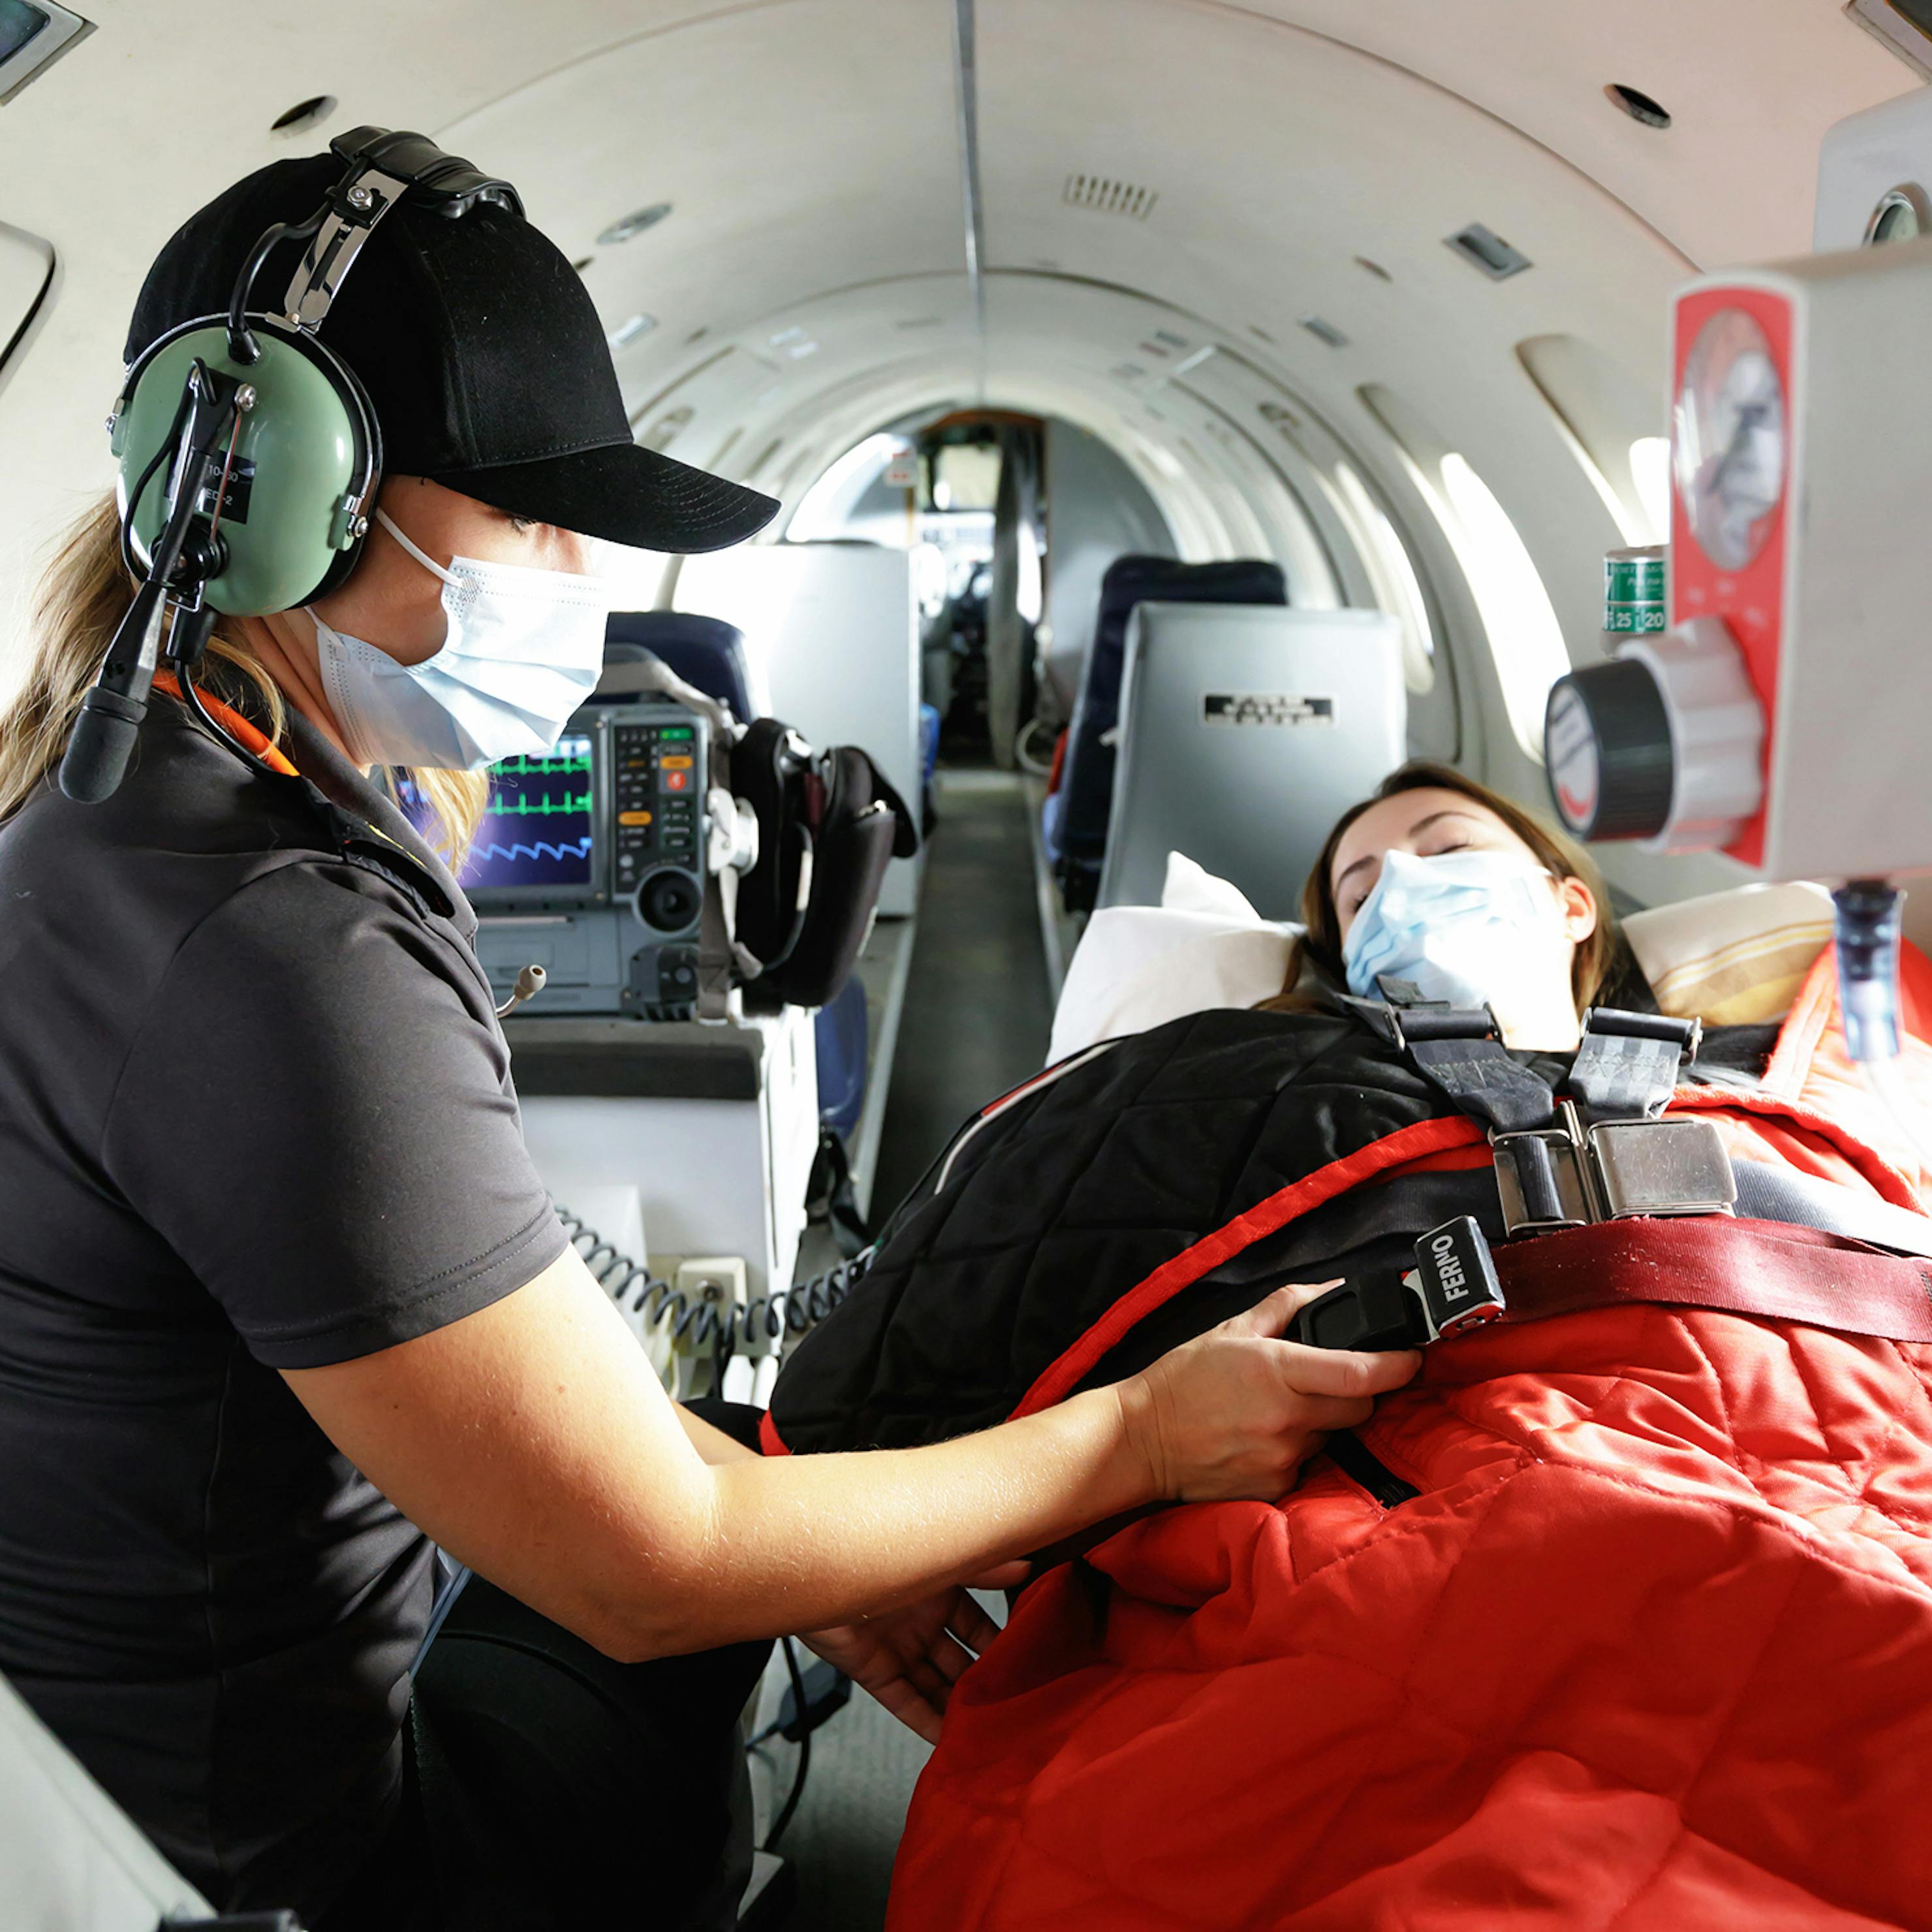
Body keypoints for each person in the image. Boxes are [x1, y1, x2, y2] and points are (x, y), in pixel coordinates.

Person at [0, 146, 1416, 1932]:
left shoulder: (116, 809)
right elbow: (651, 1573)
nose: (581, 573)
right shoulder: (277, 944)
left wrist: (796, 1511)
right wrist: (1147, 1437)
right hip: (297, 1872)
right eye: (535, 515)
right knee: (689, 1593)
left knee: (745, 1467)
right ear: (287, 491)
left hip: (106, 1791)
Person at [764, 761, 1932, 1931]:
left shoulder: (1808, 1084)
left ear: (1570, 899)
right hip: (1445, 1516)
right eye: (1363, 883)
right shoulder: (1230, 1076)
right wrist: (827, 1515)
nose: (1406, 883)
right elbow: (936, 1314)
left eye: (1447, 845)